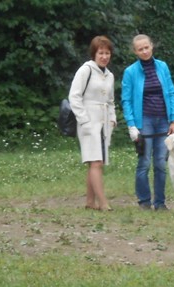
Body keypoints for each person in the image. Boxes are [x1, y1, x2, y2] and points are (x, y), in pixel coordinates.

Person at [121, 35, 174, 211]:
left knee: (161, 163)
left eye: (146, 47)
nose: (144, 51)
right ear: (135, 52)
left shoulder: (162, 67)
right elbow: (126, 100)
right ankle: (144, 200)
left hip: (163, 120)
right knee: (144, 161)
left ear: (152, 47)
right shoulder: (130, 72)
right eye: (140, 49)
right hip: (144, 121)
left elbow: (170, 92)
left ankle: (160, 202)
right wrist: (131, 124)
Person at [70, 36, 117, 211]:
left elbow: (110, 100)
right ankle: (103, 202)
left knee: (96, 162)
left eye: (107, 53)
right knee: (96, 161)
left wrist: (112, 119)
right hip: (89, 121)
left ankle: (90, 202)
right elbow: (74, 96)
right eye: (101, 53)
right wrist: (84, 120)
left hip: (104, 123)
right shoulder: (85, 70)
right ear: (94, 54)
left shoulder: (109, 75)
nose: (104, 56)